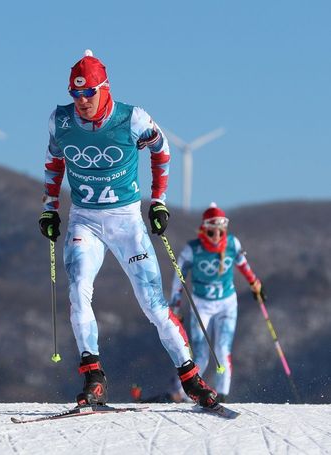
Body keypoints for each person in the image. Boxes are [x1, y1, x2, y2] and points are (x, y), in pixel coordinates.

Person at [38, 49, 217, 408]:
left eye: (89, 92)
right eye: (75, 94)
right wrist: (50, 208)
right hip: (85, 220)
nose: (82, 101)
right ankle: (93, 376)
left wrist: (159, 200)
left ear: (104, 88)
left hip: (126, 220)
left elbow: (162, 151)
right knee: (78, 291)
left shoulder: (132, 118)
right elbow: (54, 162)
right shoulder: (60, 121)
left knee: (152, 304)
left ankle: (191, 379)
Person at [169, 202, 265, 403]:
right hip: (201, 304)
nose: (217, 236)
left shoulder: (232, 244)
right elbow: (178, 279)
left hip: (226, 304)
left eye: (221, 231)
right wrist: (175, 307)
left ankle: (222, 395)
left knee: (222, 350)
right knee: (201, 356)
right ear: (205, 229)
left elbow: (243, 265)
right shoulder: (192, 249)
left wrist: (255, 284)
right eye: (213, 232)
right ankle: (183, 394)